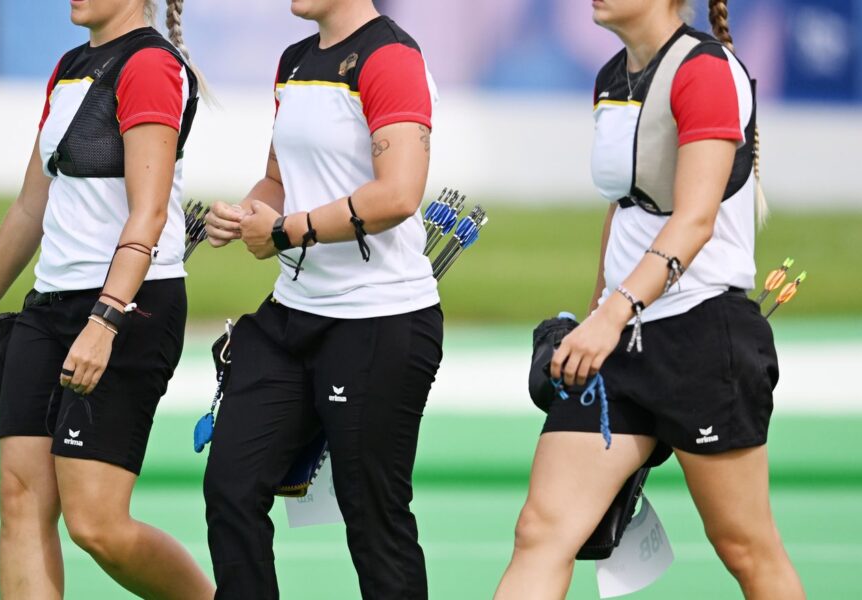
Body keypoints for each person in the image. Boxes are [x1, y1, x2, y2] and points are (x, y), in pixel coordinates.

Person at [494, 1, 804, 598]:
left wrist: (612, 317)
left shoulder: (705, 70)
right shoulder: (613, 76)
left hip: (704, 337)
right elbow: (624, 206)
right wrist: (595, 315)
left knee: (746, 546)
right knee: (542, 531)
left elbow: (693, 221)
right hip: (621, 336)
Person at [0, 0, 214, 597]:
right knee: (21, 497)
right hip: (50, 304)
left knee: (96, 525)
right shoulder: (70, 66)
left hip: (128, 308)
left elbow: (150, 211)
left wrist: (105, 320)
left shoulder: (149, 65)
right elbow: (31, 206)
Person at [199, 1, 442, 597]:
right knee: (231, 486)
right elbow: (279, 181)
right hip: (293, 314)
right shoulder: (294, 61)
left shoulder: (390, 57)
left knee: (374, 520)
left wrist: (284, 231)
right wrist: (245, 211)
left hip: (379, 320)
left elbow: (399, 195)